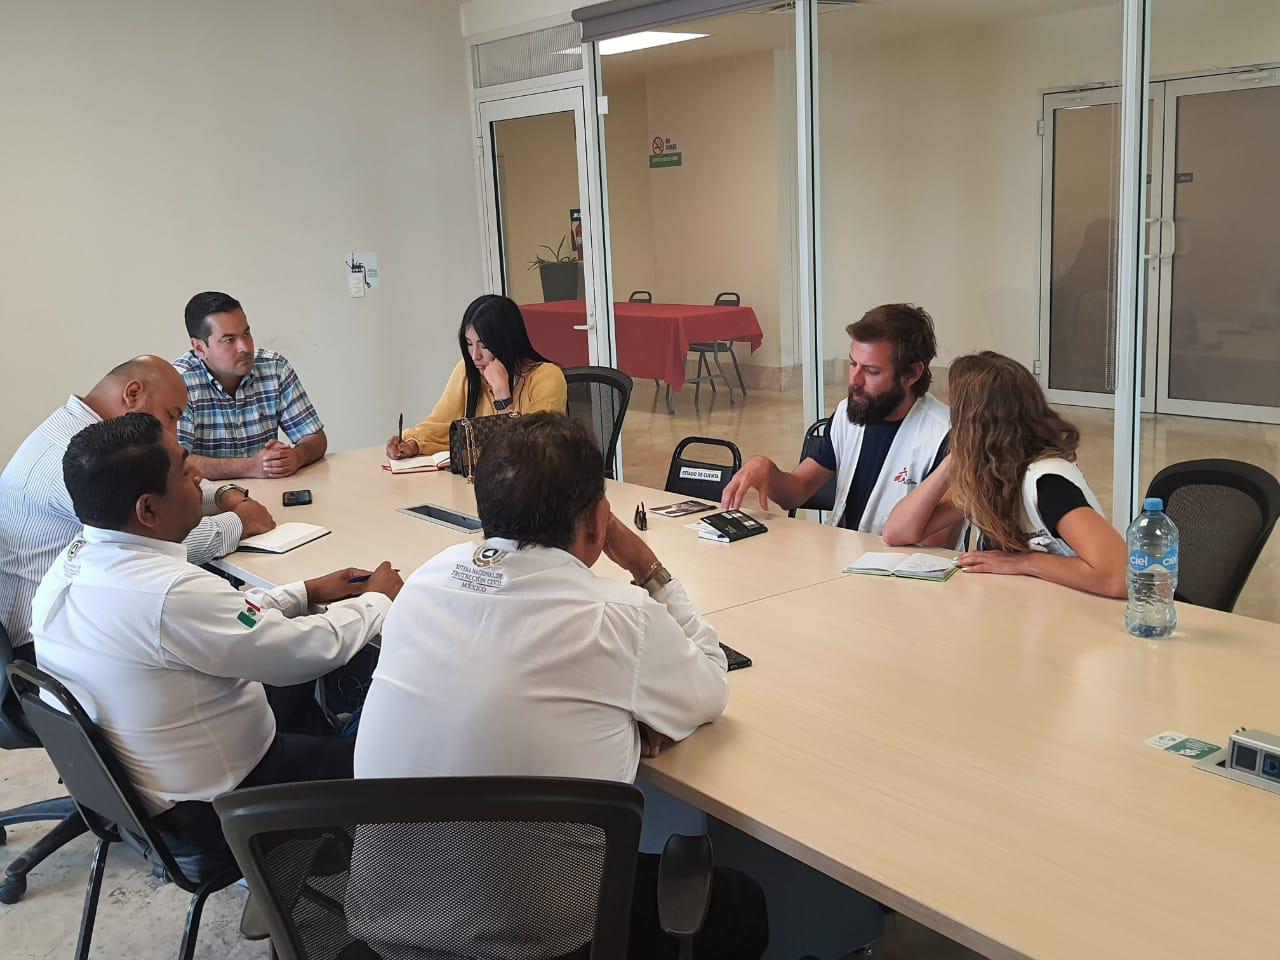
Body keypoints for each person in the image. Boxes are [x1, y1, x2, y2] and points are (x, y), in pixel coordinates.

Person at [356, 413, 767, 960]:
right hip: (549, 941)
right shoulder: (618, 617)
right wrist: (648, 568)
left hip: (389, 930)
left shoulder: (425, 582)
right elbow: (712, 684)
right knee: (741, 906)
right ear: (599, 520)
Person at [29, 413, 402, 869]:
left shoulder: (74, 562)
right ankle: (375, 870)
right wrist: (377, 600)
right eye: (183, 470)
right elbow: (304, 652)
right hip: (223, 810)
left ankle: (311, 849)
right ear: (148, 510)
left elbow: (223, 622)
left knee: (299, 697)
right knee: (398, 748)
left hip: (149, 799)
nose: (197, 476)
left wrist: (304, 592)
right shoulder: (168, 594)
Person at [0, 357, 275, 652]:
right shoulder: (80, 456)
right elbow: (163, 538)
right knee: (235, 644)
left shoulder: (78, 431)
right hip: (43, 640)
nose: (173, 432)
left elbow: (169, 487)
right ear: (132, 394)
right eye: (171, 416)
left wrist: (223, 494)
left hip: (72, 616)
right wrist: (241, 522)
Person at [882, 351, 1126, 598]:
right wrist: (951, 462)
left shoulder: (1047, 482)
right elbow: (897, 532)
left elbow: (1120, 576)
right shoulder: (989, 474)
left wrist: (1023, 563)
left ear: (975, 426)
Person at [721, 303, 951, 535]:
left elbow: (939, 546)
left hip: (897, 558)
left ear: (912, 373)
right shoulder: (848, 414)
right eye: (853, 364)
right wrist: (768, 472)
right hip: (844, 552)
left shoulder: (945, 436)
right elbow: (797, 491)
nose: (854, 381)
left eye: (871, 371)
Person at [386, 294, 567, 459]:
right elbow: (440, 424)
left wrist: (503, 397)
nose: (475, 356)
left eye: (484, 345)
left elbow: (532, 452)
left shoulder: (547, 377)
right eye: (469, 344)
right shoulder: (468, 370)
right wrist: (413, 444)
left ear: (507, 341)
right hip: (479, 478)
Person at [174, 291, 327, 480]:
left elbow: (315, 437)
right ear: (200, 348)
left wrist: (297, 456)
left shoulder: (274, 367)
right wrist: (250, 467)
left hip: (269, 490)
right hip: (208, 496)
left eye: (246, 334)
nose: (245, 347)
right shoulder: (178, 382)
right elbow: (176, 462)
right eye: (229, 340)